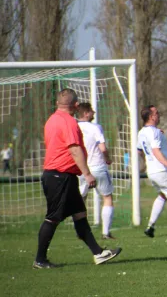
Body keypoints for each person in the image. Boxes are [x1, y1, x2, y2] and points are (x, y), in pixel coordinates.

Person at [33, 88, 121, 269]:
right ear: (75, 105)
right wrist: (87, 174)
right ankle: (40, 260)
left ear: (58, 103)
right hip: (59, 175)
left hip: (63, 175)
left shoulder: (52, 120)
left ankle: (98, 253)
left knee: (80, 214)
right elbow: (74, 149)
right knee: (53, 217)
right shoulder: (69, 122)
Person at [138, 105, 167, 237]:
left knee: (163, 196)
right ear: (151, 116)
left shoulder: (142, 132)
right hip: (163, 171)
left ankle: (150, 226)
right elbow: (156, 151)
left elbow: (139, 151)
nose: (159, 115)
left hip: (152, 172)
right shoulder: (154, 132)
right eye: (157, 113)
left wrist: (148, 163)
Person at [77, 103, 116, 239]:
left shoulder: (74, 127)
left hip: (82, 169)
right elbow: (103, 148)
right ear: (86, 113)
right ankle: (106, 232)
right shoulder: (95, 127)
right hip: (98, 167)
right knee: (107, 197)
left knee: (81, 200)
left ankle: (81, 231)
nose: (93, 113)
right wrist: (108, 158)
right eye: (91, 111)